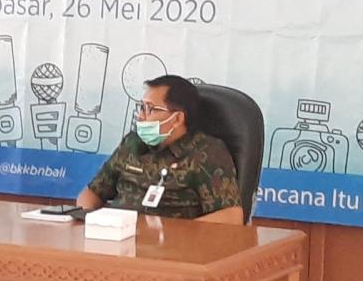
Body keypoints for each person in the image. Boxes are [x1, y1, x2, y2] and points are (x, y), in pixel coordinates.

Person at [77, 74, 242, 220]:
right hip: (117, 235)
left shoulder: (206, 152)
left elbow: (231, 216)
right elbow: (92, 194)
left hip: (171, 241)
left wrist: (177, 235)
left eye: (150, 109)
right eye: (142, 107)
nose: (141, 116)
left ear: (177, 119)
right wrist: (91, 222)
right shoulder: (132, 143)